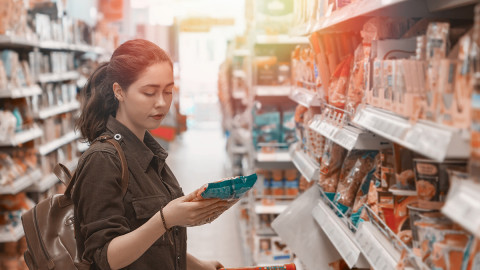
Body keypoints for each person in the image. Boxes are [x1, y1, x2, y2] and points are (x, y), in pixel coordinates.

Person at [73, 39, 234, 270]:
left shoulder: (149, 153)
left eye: (168, 91)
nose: (162, 103)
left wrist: (197, 265)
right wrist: (166, 219)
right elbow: (105, 258)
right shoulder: (103, 159)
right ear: (119, 91)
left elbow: (151, 245)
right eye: (149, 92)